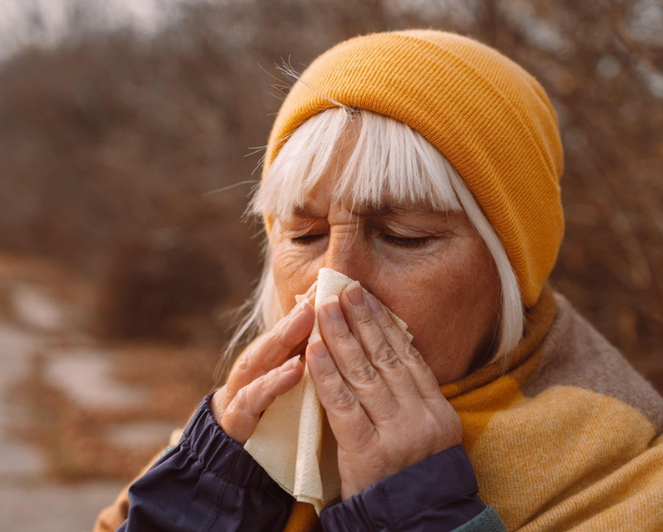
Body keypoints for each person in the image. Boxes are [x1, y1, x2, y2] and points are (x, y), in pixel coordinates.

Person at [93, 30, 663, 532]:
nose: (333, 282)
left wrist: (415, 512)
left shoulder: (633, 482)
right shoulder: (235, 447)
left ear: (511, 269)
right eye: (306, 235)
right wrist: (208, 500)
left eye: (404, 236)